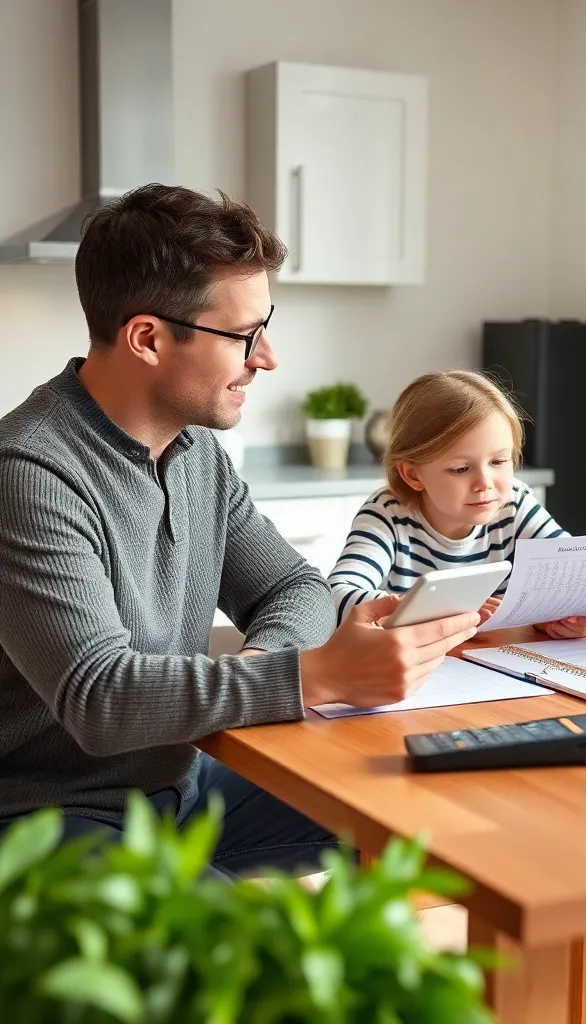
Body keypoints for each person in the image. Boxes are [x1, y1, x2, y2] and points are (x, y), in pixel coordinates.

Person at [0, 184, 479, 876]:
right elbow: (99, 699)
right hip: (49, 823)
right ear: (148, 339)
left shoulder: (197, 456)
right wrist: (310, 675)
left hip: (183, 790)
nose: (268, 356)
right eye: (244, 334)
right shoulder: (29, 472)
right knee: (266, 967)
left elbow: (295, 587)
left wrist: (273, 671)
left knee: (424, 808)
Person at [329, 369, 586, 639]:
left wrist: (562, 612)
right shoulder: (387, 515)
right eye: (460, 468)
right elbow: (337, 596)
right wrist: (446, 607)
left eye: (499, 462)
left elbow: (572, 570)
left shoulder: (514, 503)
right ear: (412, 475)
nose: (485, 483)